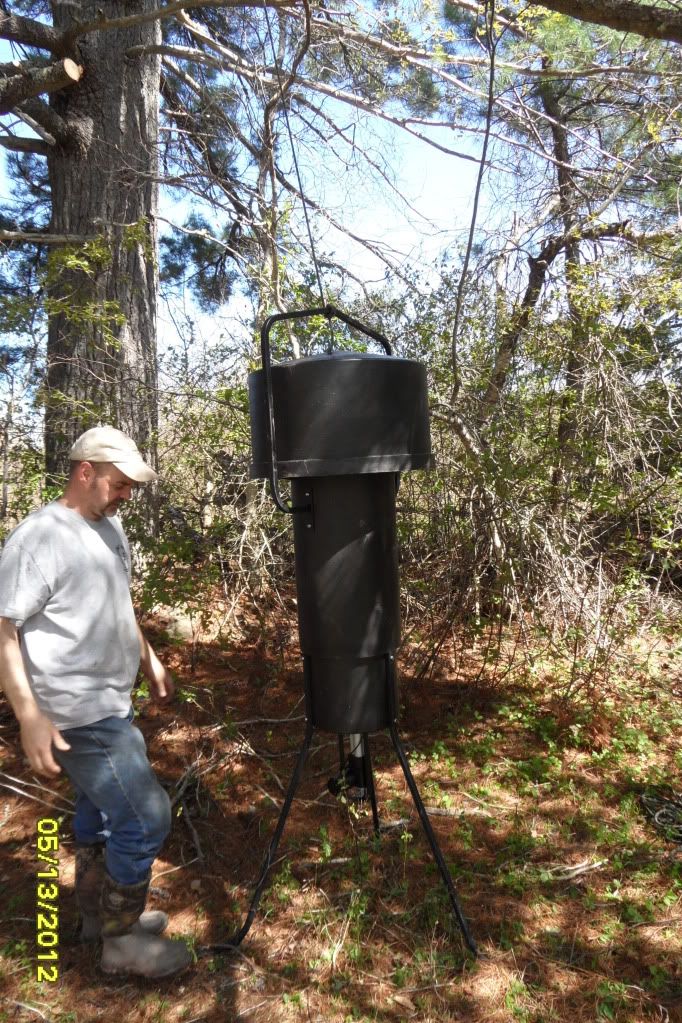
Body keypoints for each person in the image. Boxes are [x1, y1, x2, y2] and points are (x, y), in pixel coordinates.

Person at [0, 426, 192, 979]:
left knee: (102, 817)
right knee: (145, 814)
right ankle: (121, 939)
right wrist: (28, 714)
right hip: (76, 713)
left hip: (111, 700)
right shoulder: (39, 538)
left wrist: (148, 658)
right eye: (119, 483)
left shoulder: (109, 526)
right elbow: (4, 629)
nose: (127, 494)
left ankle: (95, 917)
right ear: (85, 472)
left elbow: (117, 603)